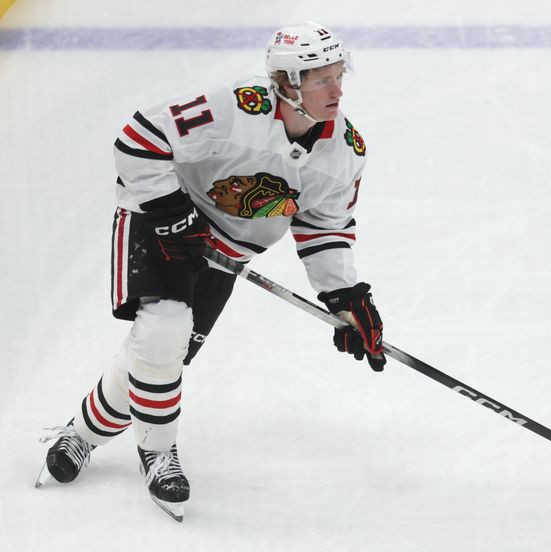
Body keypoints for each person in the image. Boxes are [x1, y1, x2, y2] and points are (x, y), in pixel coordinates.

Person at [36, 21, 386, 521]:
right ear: (287, 83)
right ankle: (158, 455)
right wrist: (171, 209)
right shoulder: (230, 109)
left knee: (160, 357)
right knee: (164, 329)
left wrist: (346, 297)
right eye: (321, 79)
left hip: (227, 252)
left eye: (337, 75)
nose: (337, 89)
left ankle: (81, 434)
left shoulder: (345, 152)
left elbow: (325, 229)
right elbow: (138, 139)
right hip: (160, 221)